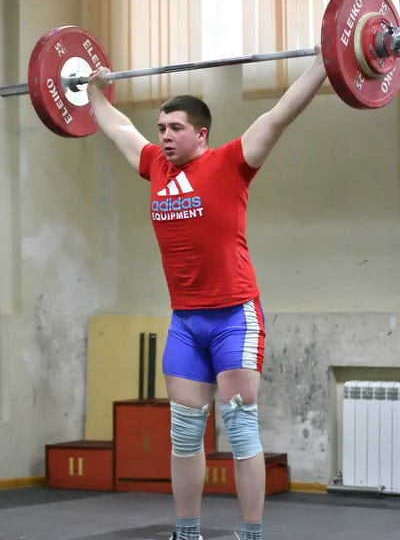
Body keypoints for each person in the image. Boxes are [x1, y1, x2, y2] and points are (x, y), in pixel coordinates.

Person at [87, 45, 327, 540]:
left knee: (239, 429)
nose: (164, 136)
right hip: (185, 321)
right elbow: (116, 128)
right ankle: (188, 531)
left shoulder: (230, 163)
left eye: (175, 128)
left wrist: (326, 61)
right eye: (161, 128)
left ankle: (253, 534)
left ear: (201, 133)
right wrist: (91, 92)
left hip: (234, 316)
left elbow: (280, 115)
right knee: (185, 434)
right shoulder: (155, 165)